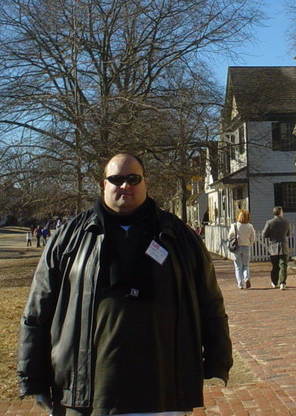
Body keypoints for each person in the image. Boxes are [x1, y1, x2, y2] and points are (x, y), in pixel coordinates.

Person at [18, 152, 232, 416]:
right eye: (116, 178)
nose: (125, 185)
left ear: (145, 182)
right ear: (103, 184)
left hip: (163, 392)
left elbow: (209, 301)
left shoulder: (178, 236)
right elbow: (38, 309)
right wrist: (33, 376)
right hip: (86, 394)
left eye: (133, 178)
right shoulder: (70, 238)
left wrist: (218, 360)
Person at [262, 206, 291, 290]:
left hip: (273, 246)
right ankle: (282, 282)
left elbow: (264, 235)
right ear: (280, 213)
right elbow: (288, 234)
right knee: (283, 265)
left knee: (275, 266)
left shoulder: (269, 223)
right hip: (283, 246)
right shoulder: (286, 222)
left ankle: (274, 282)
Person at [228, 209, 256, 289]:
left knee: (238, 267)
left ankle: (240, 284)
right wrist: (250, 244)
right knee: (245, 265)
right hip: (246, 247)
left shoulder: (235, 225)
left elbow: (229, 236)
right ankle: (246, 278)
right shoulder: (250, 226)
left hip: (237, 247)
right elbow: (253, 237)